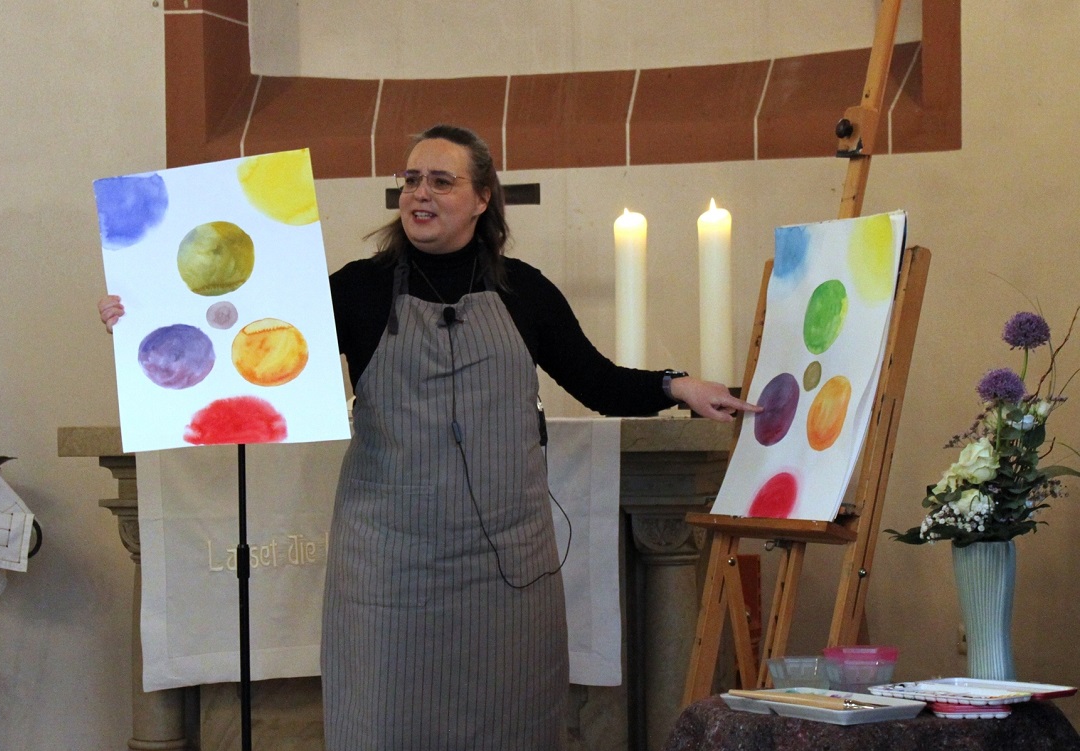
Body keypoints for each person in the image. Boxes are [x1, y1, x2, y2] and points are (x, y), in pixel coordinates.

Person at [99, 124, 758, 750]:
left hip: (507, 568)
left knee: (514, 724)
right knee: (385, 723)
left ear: (481, 198)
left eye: (440, 181)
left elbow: (598, 381)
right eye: (411, 179)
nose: (419, 192)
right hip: (388, 565)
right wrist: (141, 317)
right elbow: (241, 340)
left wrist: (679, 385)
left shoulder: (524, 291)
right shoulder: (358, 290)